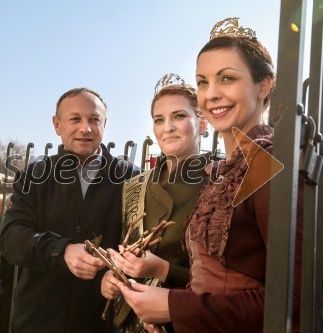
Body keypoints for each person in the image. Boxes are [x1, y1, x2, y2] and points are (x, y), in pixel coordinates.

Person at [118, 18, 303, 333]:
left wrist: (173, 306)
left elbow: (293, 304)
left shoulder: (267, 162)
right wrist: (167, 304)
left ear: (263, 85)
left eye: (227, 78)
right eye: (203, 82)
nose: (212, 94)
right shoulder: (226, 170)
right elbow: (212, 280)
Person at [0, 87, 139, 333]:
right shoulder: (33, 176)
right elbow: (11, 238)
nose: (85, 128)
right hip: (38, 322)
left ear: (104, 123)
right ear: (57, 125)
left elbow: (141, 244)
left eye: (94, 120)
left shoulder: (132, 178)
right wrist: (61, 250)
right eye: (75, 119)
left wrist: (117, 272)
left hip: (102, 323)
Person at [100, 74, 208, 333]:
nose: (168, 127)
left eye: (179, 116)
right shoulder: (134, 185)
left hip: (184, 322)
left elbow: (227, 283)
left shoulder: (217, 184)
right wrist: (110, 277)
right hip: (129, 323)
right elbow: (121, 248)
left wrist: (163, 270)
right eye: (159, 120)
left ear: (203, 124)